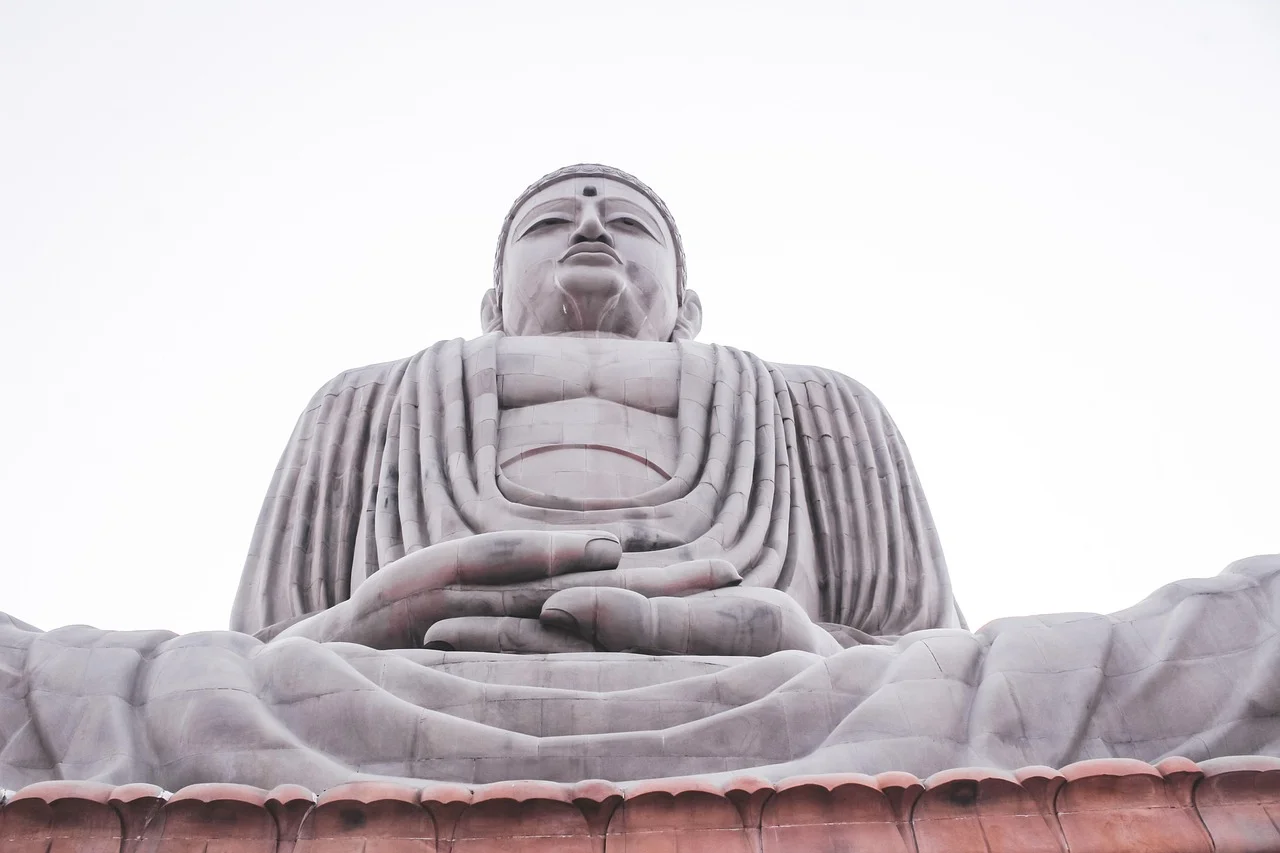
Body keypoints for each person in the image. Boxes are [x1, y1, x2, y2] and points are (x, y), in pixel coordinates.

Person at [231, 164, 965, 655]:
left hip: (779, 698)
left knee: (1065, 664)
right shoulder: (364, 399)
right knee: (126, 682)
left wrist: (789, 639)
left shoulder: (817, 402)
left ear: (688, 307)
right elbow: (254, 656)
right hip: (402, 689)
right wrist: (359, 630)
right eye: (549, 222)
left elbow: (928, 654)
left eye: (629, 223)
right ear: (492, 307)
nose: (589, 226)